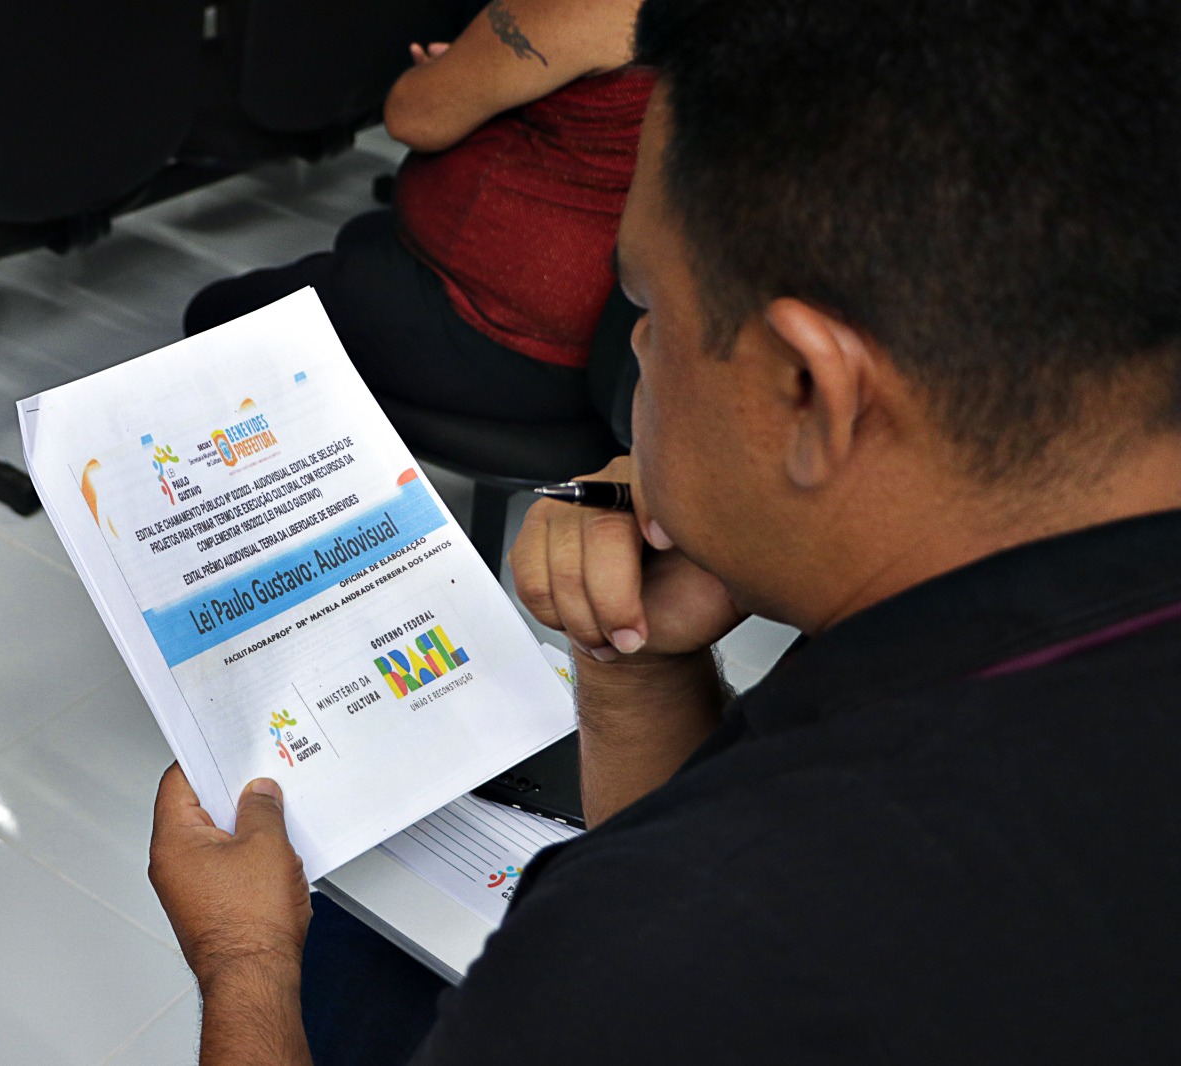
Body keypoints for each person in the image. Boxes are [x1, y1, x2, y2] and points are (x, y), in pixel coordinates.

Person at [149, 0, 1181, 1062]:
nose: (637, 351)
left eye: (644, 310)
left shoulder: (693, 934)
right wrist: (640, 667)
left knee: (340, 952)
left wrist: (243, 955)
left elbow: (664, 917)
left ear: (807, 388)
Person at [184, 0, 654, 422]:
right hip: (602, 318)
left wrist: (448, 73)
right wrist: (484, 68)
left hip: (501, 328)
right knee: (360, 235)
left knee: (216, 316)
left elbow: (412, 115)